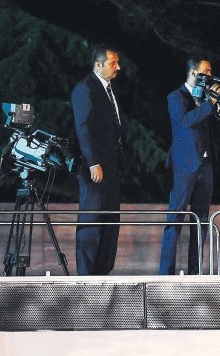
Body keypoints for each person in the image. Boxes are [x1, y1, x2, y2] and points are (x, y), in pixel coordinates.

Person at [161, 54, 220, 275]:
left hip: (206, 165)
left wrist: (219, 106)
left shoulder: (206, 96)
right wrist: (210, 104)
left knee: (201, 220)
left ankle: (195, 272)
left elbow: (218, 122)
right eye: (206, 71)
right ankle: (165, 273)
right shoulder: (176, 97)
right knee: (175, 218)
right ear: (193, 72)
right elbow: (185, 122)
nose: (210, 75)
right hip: (184, 166)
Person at [71, 43, 126, 276]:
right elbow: (83, 128)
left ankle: (104, 272)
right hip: (95, 168)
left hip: (113, 166)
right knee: (92, 221)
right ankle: (86, 275)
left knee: (111, 222)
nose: (118, 68)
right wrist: (93, 162)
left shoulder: (110, 90)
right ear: (98, 64)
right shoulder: (84, 89)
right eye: (113, 63)